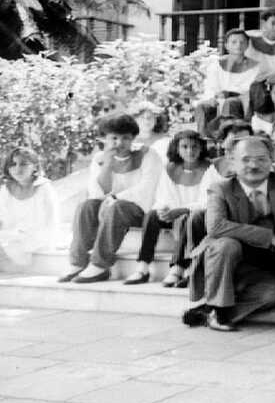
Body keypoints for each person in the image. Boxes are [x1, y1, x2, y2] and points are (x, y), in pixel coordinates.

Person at [183, 135, 275, 331]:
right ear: (232, 162)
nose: (254, 165)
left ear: (272, 160)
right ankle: (219, 311)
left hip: (269, 265)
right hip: (227, 263)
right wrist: (266, 236)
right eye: (245, 159)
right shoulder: (221, 188)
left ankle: (209, 312)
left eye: (261, 159)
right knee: (226, 243)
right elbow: (216, 227)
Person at [61, 114, 163, 283]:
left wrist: (115, 198)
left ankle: (100, 265)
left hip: (139, 210)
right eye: (114, 138)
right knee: (86, 206)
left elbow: (147, 188)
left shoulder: (147, 155)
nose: (119, 143)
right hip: (109, 208)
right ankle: (78, 262)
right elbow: (97, 192)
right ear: (104, 139)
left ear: (133, 138)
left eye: (125, 138)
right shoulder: (100, 158)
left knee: (118, 207)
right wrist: (107, 165)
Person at [125, 130, 212, 286]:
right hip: (174, 213)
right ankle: (143, 266)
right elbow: (164, 196)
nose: (190, 151)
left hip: (196, 217)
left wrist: (181, 210)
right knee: (152, 215)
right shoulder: (170, 168)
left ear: (201, 148)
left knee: (189, 217)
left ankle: (177, 267)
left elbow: (207, 201)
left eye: (194, 147)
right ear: (177, 149)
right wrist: (164, 210)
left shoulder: (209, 169)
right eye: (184, 147)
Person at [0, 147, 58, 270]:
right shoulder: (5, 189)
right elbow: (3, 219)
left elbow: (51, 220)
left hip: (37, 236)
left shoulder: (44, 188)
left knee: (14, 243)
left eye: (23, 164)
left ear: (35, 167)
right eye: (13, 164)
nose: (17, 168)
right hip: (12, 235)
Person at [196, 28, 260, 139]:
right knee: (202, 107)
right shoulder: (216, 64)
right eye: (234, 42)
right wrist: (212, 97)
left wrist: (229, 93)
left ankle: (229, 137)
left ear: (247, 45)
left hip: (242, 101)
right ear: (226, 45)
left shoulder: (255, 66)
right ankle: (204, 140)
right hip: (219, 98)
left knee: (230, 103)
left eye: (242, 42)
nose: (238, 45)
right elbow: (211, 86)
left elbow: (251, 88)